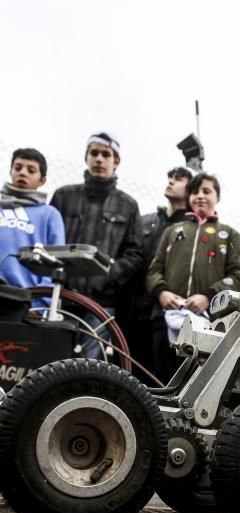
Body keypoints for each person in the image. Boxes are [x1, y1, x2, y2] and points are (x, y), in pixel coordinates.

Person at [50, 131, 143, 358]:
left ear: (116, 161)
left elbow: (135, 255)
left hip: (101, 304)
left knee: (88, 366)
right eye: (94, 153)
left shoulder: (128, 205)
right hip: (60, 297)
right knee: (50, 357)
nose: (99, 159)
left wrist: (106, 275)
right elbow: (48, 242)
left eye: (106, 154)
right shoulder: (63, 196)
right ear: (86, 157)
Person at [146, 172, 240, 384]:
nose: (200, 196)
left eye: (206, 191)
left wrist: (208, 297)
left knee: (197, 383)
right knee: (162, 381)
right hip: (165, 316)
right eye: (195, 191)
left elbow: (236, 276)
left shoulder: (229, 234)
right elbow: (154, 269)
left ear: (218, 197)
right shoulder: (173, 231)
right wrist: (161, 292)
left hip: (209, 320)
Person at [117, 166, 193, 380]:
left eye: (179, 179)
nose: (171, 181)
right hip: (128, 314)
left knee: (156, 381)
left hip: (162, 318)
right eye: (170, 177)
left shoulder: (192, 229)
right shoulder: (146, 220)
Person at [0, 148, 65, 305]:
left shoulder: (49, 214)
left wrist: (40, 303)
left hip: (26, 300)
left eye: (31, 170)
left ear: (42, 180)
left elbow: (56, 262)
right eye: (18, 167)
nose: (23, 173)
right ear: (10, 171)